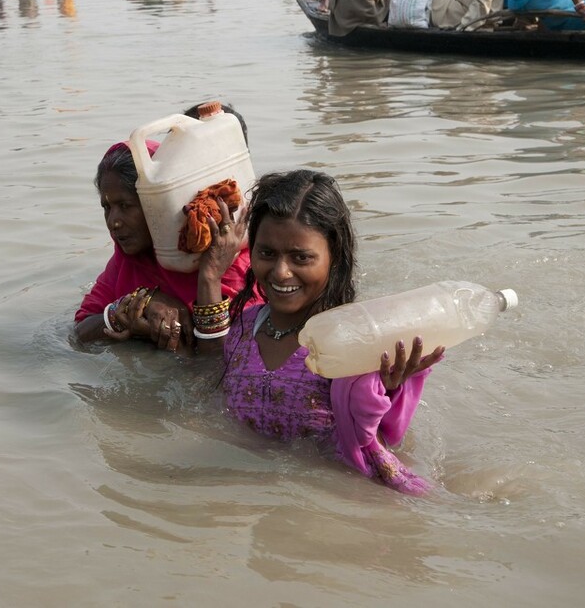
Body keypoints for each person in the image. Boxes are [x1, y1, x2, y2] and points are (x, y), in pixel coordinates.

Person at [211, 169, 443, 493]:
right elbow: (208, 372)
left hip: (328, 497)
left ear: (334, 258)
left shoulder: (357, 343)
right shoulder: (244, 327)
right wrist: (209, 276)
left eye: (301, 257)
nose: (281, 272)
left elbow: (373, 441)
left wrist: (387, 388)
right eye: (266, 253)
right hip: (245, 492)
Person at [71, 139, 253, 350]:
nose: (113, 222)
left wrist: (209, 279)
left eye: (125, 205)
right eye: (107, 207)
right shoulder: (128, 262)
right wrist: (138, 305)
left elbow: (225, 359)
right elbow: (80, 332)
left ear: (160, 204)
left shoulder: (229, 260)